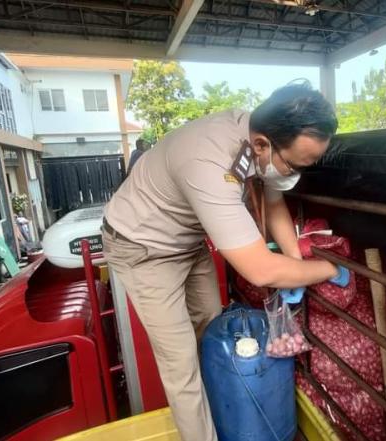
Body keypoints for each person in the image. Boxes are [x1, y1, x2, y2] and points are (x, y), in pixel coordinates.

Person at [102, 82, 349, 441]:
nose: (297, 174)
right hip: (142, 245)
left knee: (211, 329)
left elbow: (275, 202)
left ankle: (225, 409)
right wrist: (328, 269)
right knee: (181, 365)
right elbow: (261, 269)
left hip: (186, 237)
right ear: (263, 144)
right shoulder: (210, 162)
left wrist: (295, 261)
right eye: (295, 164)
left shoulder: (258, 140)